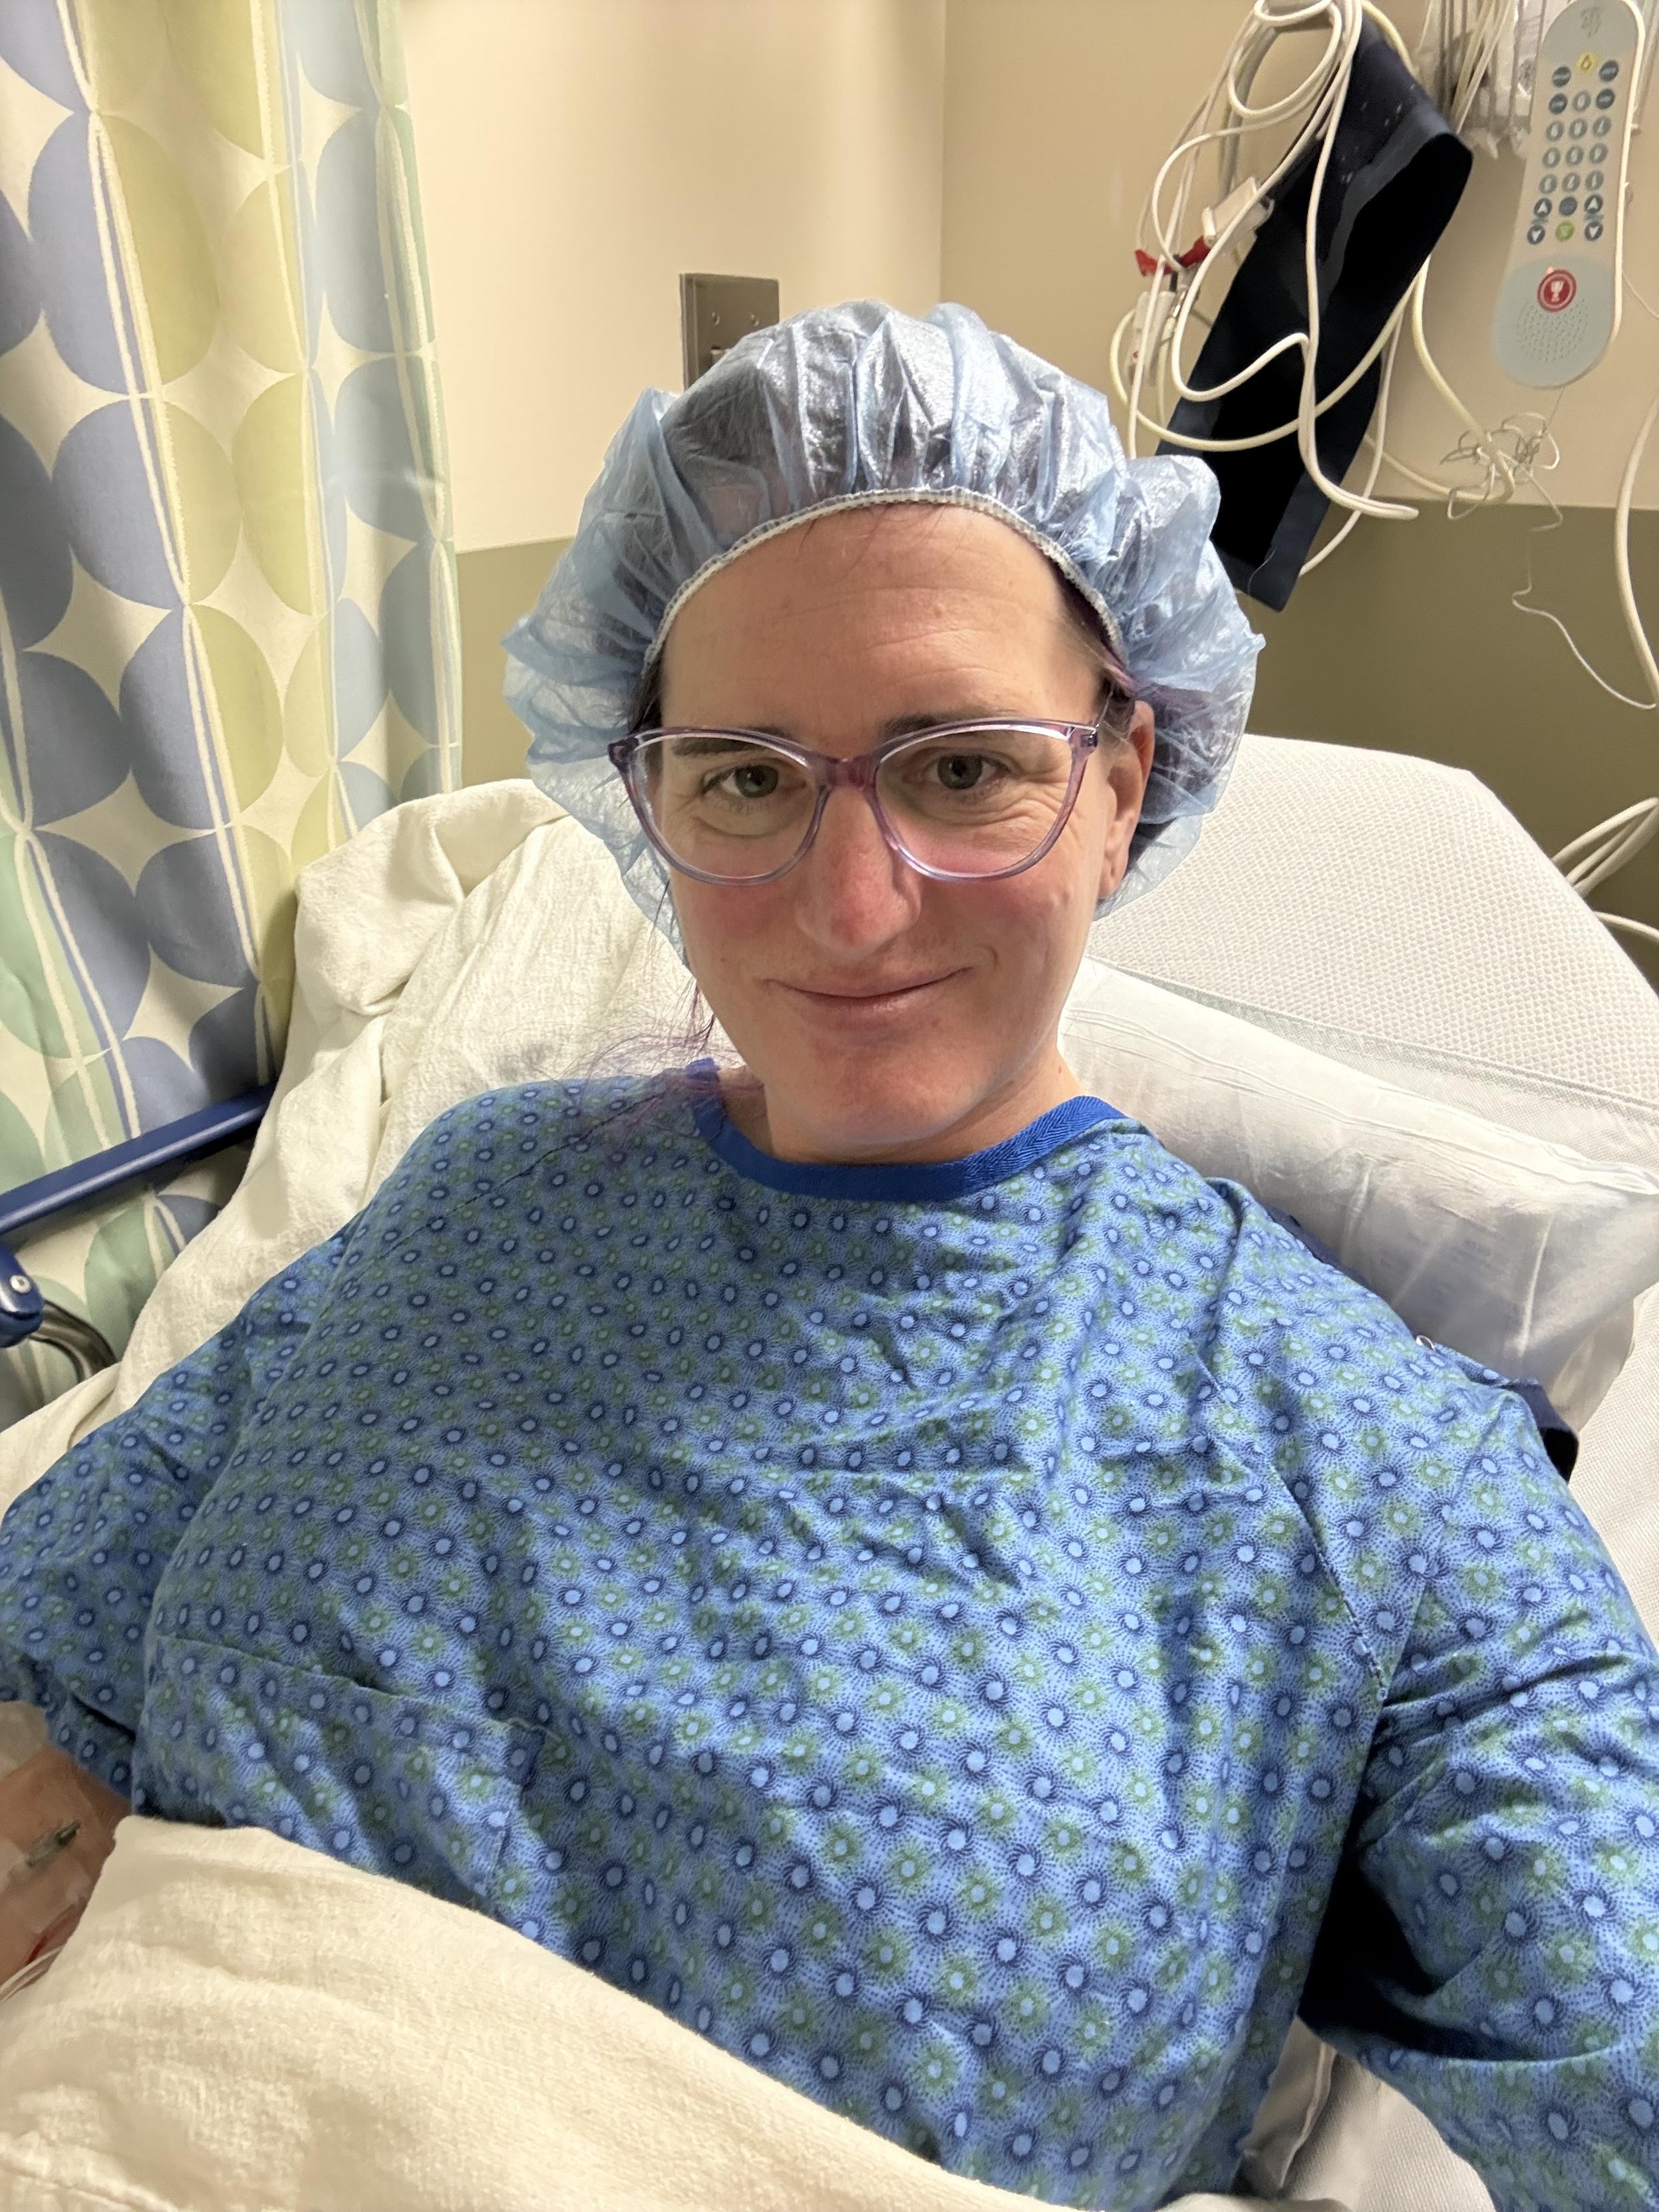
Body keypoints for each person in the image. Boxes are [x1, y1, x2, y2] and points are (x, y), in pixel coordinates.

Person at [1, 301, 1656, 2211]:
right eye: (747, 779)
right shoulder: (480, 1199)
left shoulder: (1374, 1477)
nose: (854, 906)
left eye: (962, 769)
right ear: (649, 797)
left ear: (1124, 778)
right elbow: (79, 1601)